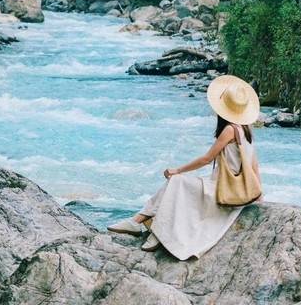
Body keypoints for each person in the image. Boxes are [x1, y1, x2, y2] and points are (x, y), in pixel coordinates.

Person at [107, 75, 262, 259]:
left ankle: (142, 222)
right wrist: (258, 192)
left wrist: (177, 170)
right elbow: (254, 166)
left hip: (220, 189)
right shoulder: (246, 131)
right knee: (177, 186)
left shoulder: (229, 130)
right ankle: (144, 222)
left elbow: (206, 159)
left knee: (177, 181)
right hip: (229, 188)